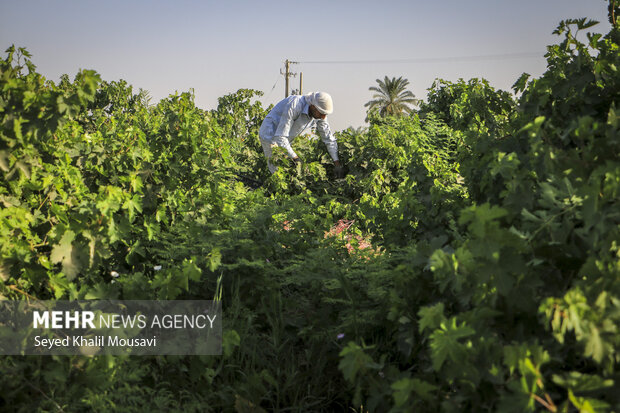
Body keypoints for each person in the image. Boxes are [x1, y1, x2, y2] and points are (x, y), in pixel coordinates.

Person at [259, 91, 344, 178]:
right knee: (277, 170)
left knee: (289, 169)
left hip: (286, 138)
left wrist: (336, 163)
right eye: (322, 114)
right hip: (270, 135)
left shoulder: (320, 114)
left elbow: (328, 138)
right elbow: (280, 136)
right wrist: (295, 158)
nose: (323, 117)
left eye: (325, 114)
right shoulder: (295, 105)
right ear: (313, 106)